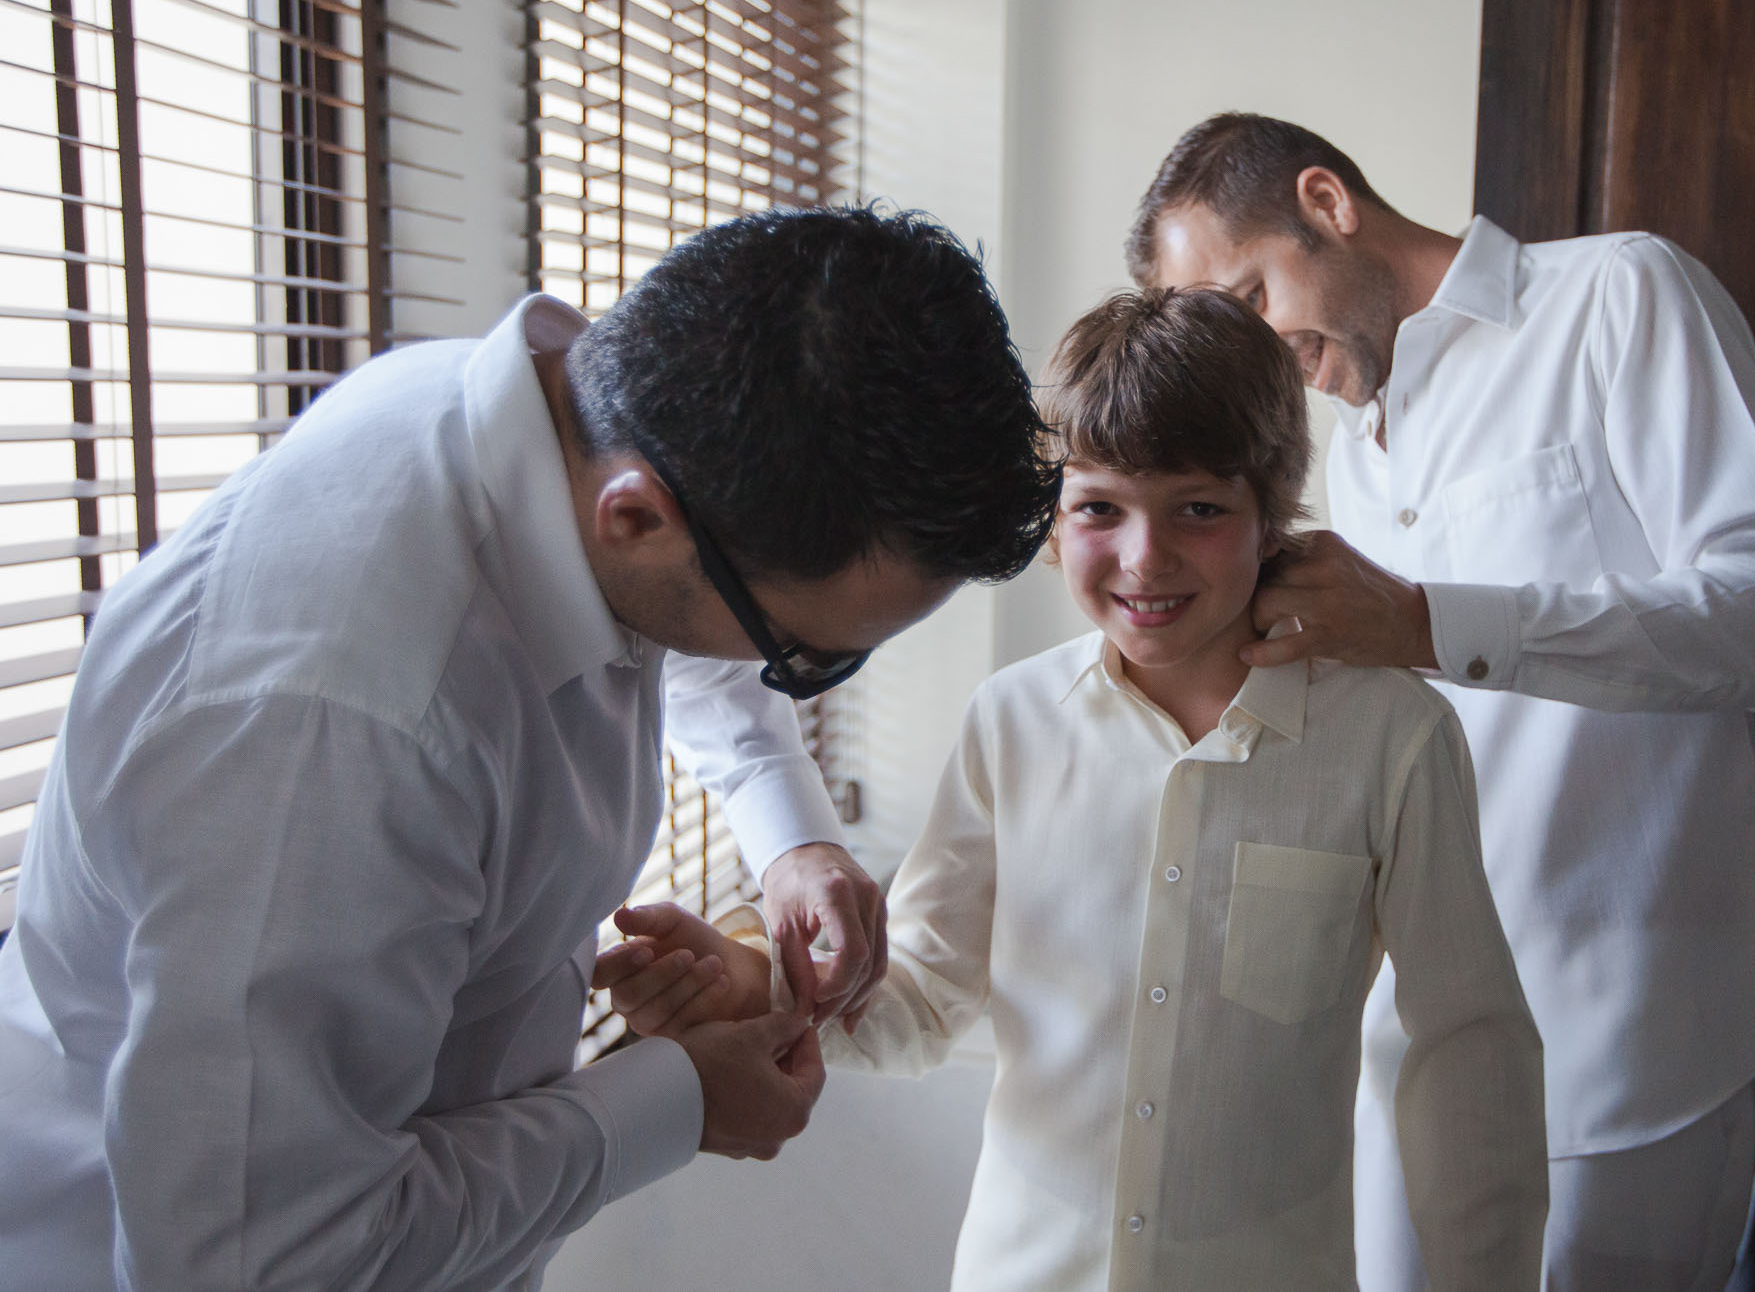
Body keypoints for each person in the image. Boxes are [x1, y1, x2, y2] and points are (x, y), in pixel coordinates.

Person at [0, 206, 1062, 1291]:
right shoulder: (338, 735)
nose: (789, 674)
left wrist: (793, 838)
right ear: (634, 518)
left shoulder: (567, 430)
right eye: (802, 654)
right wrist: (674, 1102)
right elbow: (257, 1262)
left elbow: (684, 626)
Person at [598, 287, 1548, 1290]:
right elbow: (916, 1001)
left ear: (1270, 514)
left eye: (1198, 509)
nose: (1145, 558)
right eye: (1098, 508)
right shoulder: (1009, 723)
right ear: (1051, 524)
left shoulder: (1390, 736)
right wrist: (757, 984)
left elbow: (1465, 1061)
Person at [1124, 113, 1755, 1289]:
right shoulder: (1348, 460)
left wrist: (1429, 623)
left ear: (1326, 202)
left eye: (1249, 300)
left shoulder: (1618, 299)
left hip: (1628, 1036)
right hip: (1403, 1046)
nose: (1259, 361)